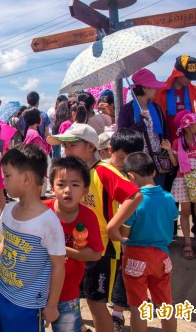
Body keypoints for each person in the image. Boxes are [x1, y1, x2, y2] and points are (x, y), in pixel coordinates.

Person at [47, 123, 142, 332]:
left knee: (96, 303)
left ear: (91, 147)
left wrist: (113, 226)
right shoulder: (76, 175)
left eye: (72, 144)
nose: (66, 150)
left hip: (102, 251)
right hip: (75, 247)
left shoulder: (103, 171)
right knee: (71, 296)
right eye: (64, 145)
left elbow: (135, 195)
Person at [0, 144, 65, 332]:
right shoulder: (9, 209)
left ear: (26, 178)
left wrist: (51, 305)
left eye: (7, 176)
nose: (3, 181)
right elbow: (5, 244)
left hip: (26, 303)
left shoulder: (48, 222)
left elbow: (58, 265)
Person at [117, 152, 179, 332]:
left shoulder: (133, 200)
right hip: (162, 256)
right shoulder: (168, 197)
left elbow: (125, 232)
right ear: (153, 172)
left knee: (138, 306)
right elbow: (172, 220)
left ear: (131, 176)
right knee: (165, 303)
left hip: (136, 254)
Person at [44, 156, 104, 332]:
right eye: (61, 184)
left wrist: (62, 251)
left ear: (85, 190)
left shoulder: (88, 217)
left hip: (68, 292)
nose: (67, 190)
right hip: (36, 290)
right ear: (52, 187)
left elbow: (95, 253)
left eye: (75, 185)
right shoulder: (41, 211)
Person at [104, 127, 145, 331]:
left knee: (122, 275)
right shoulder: (102, 172)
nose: (125, 163)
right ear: (110, 150)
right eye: (121, 158)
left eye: (130, 159)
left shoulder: (135, 176)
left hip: (125, 237)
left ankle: (117, 315)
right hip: (104, 236)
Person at [162, 109, 196, 260]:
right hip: (183, 179)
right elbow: (175, 163)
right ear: (187, 126)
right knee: (184, 211)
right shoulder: (178, 142)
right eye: (195, 123)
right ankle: (186, 242)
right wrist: (170, 151)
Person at [118, 68, 169, 186]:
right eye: (153, 86)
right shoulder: (126, 110)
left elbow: (164, 132)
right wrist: (138, 126)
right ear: (145, 88)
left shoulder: (157, 108)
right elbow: (122, 136)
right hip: (136, 163)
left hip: (157, 162)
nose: (156, 89)